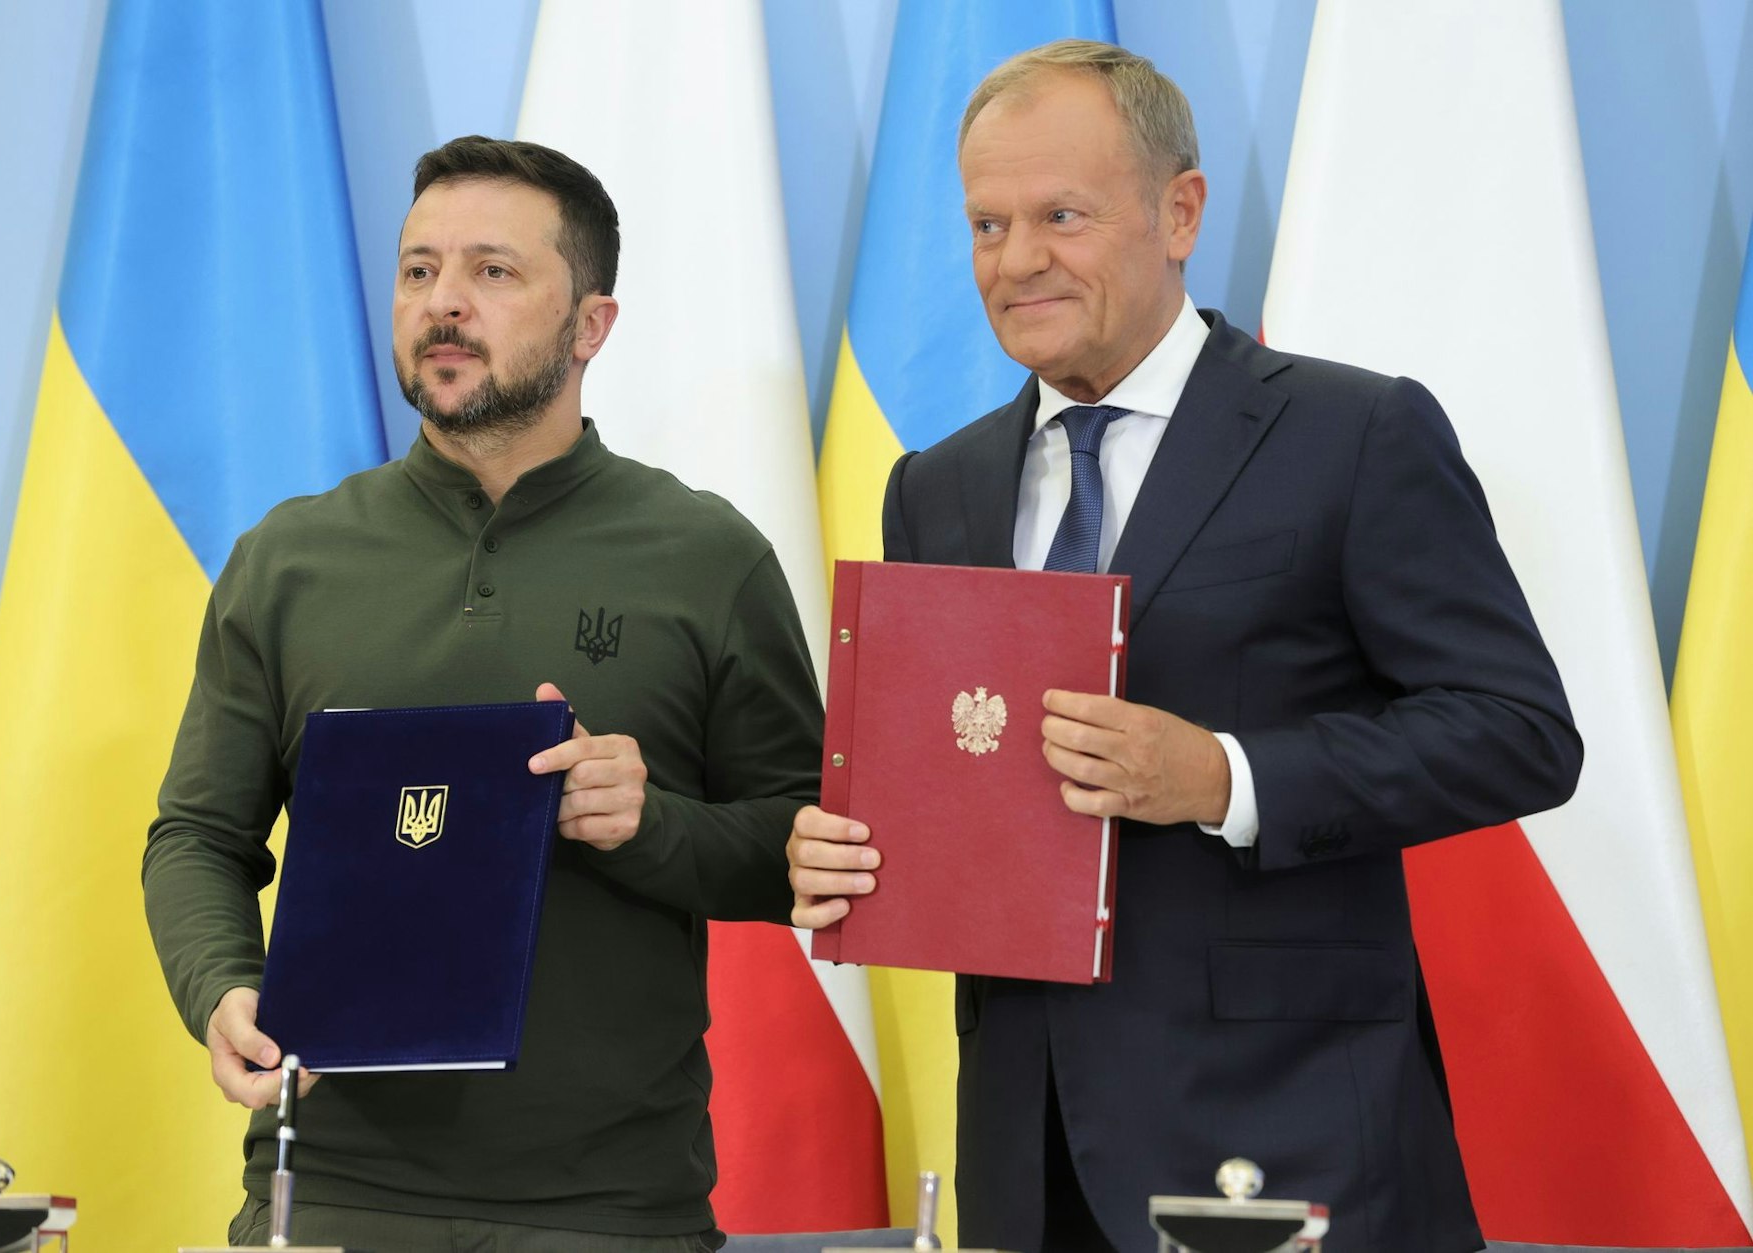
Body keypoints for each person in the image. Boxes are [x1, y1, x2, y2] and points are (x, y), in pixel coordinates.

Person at [788, 40, 1581, 1253]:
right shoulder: (934, 488)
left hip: (1285, 1128)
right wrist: (853, 843)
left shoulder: (1351, 433)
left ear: (1179, 210)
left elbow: (1517, 731)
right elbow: (956, 775)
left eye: (1059, 214)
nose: (1015, 261)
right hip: (1024, 1145)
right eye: (986, 225)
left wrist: (1224, 777)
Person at [143, 136, 823, 1252]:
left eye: (491, 272)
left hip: (612, 1204)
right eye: (418, 270)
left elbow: (801, 852)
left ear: (591, 324)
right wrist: (220, 985)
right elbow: (197, 834)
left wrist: (649, 823)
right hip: (329, 1191)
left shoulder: (708, 556)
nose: (442, 303)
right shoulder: (290, 558)